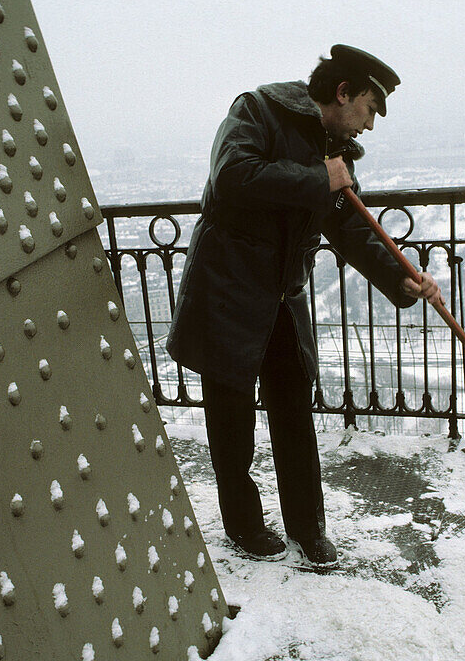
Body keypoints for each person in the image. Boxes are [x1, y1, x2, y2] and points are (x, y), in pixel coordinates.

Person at [167, 45, 442, 567]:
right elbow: (232, 177)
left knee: (293, 412)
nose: (370, 125)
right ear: (343, 93)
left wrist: (400, 279)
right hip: (227, 292)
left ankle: (309, 532)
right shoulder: (258, 110)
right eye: (368, 108)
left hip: (282, 299)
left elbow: (348, 226)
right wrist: (321, 179)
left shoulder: (331, 148)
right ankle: (244, 526)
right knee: (231, 421)